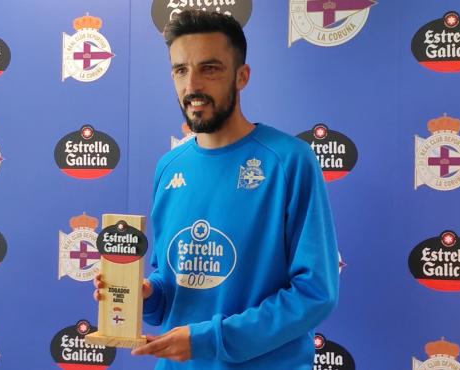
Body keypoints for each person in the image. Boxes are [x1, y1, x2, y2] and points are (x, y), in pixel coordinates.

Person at [94, 10, 339, 370]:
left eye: (209, 68)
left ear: (242, 76)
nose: (192, 85)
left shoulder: (289, 160)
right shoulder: (169, 167)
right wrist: (143, 295)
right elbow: (168, 284)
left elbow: (315, 294)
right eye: (180, 70)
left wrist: (209, 340)